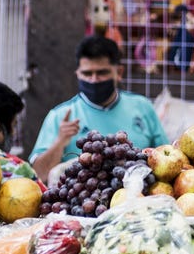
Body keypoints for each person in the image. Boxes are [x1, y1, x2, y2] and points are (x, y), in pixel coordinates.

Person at [29, 35, 169, 183]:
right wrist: (60, 142)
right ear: (77, 73)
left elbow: (166, 157)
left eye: (102, 73)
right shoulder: (60, 116)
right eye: (87, 73)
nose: (94, 80)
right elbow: (38, 175)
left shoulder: (142, 107)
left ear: (119, 72)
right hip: (81, 201)